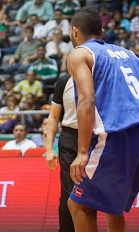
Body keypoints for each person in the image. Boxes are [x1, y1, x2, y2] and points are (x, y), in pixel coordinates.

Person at [66, 7, 139, 231]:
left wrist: (82, 153)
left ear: (74, 32)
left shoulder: (79, 53)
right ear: (102, 32)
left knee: (78, 205)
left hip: (119, 135)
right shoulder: (128, 53)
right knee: (112, 206)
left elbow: (86, 101)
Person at [45, 73, 78, 232]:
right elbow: (53, 116)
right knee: (69, 192)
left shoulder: (102, 77)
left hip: (96, 138)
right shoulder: (65, 81)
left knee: (92, 195)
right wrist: (49, 148)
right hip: (70, 137)